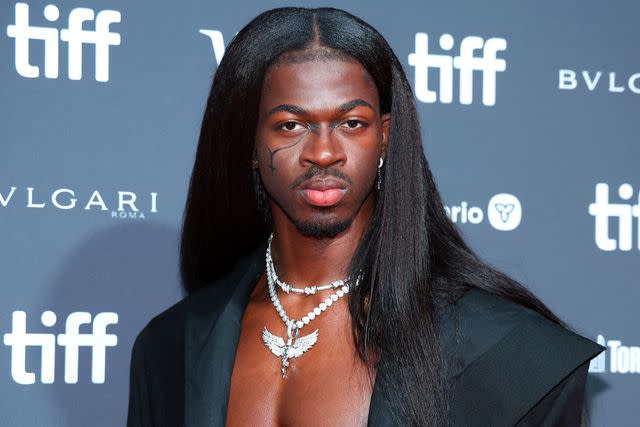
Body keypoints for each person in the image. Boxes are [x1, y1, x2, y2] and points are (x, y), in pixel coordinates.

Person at [126, 6, 605, 426]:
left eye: (351, 123)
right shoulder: (170, 347)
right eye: (291, 125)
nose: (324, 152)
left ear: (385, 136)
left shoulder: (507, 354)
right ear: (250, 144)